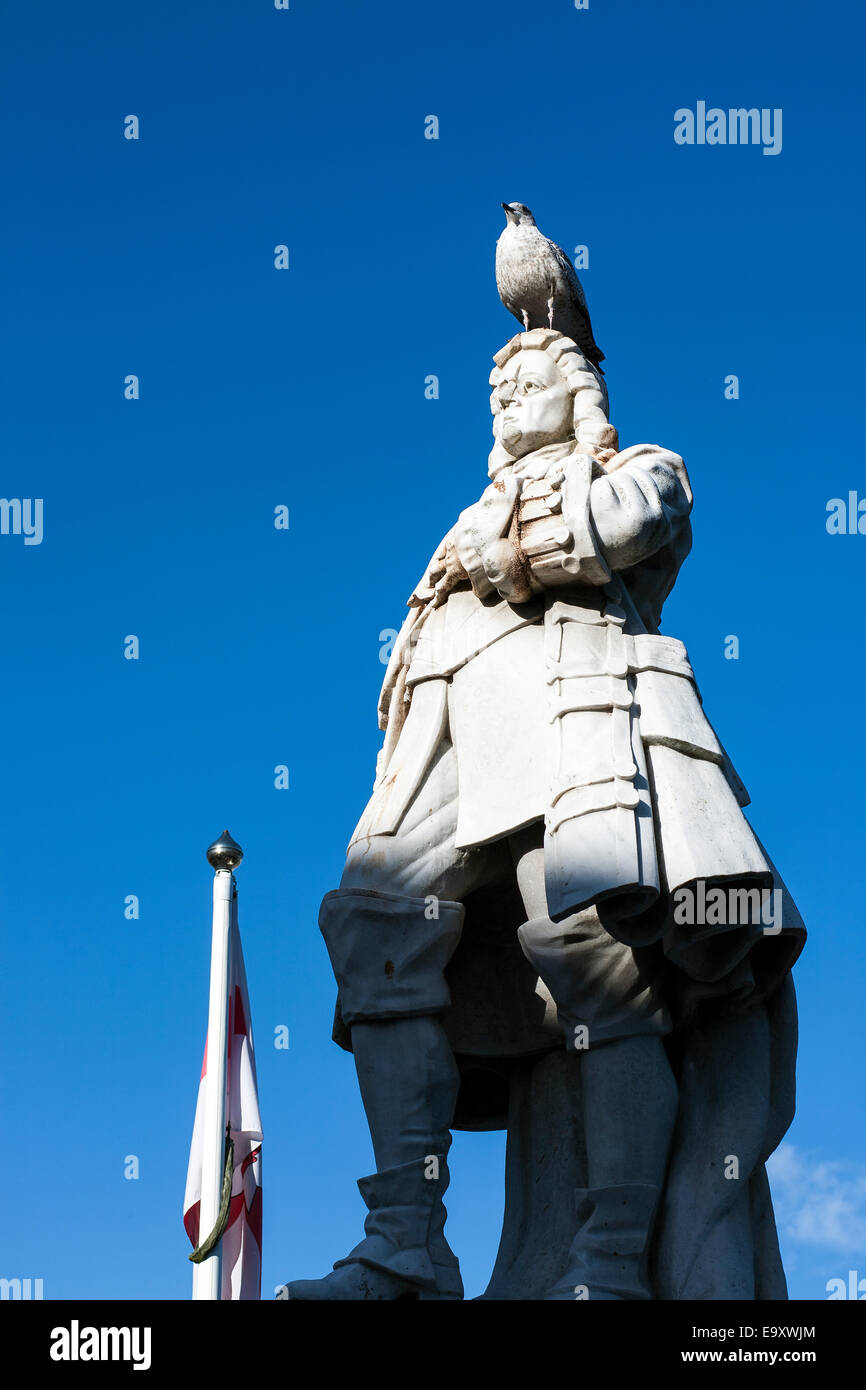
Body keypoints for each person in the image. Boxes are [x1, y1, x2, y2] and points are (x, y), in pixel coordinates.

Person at [285, 328, 804, 1301]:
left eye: (529, 382)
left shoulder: (633, 465)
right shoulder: (468, 504)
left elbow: (640, 519)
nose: (508, 400)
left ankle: (606, 1265)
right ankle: (405, 1240)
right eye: (498, 388)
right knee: (374, 926)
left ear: (578, 395)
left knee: (591, 961)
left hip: (565, 707)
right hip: (438, 728)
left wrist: (517, 548)